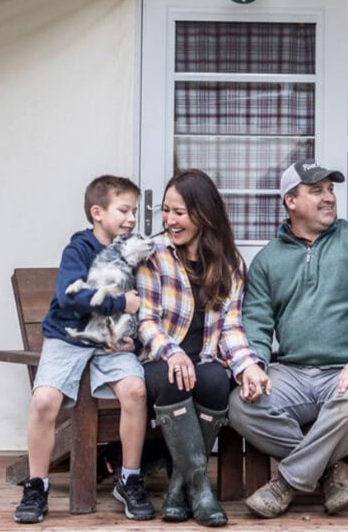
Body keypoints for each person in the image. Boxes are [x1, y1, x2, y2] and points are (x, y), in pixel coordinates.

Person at [228, 160, 348, 518]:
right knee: (241, 406)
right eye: (317, 190)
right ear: (290, 201)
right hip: (291, 372)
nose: (329, 197)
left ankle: (286, 483)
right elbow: (256, 323)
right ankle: (332, 472)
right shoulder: (268, 260)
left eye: (330, 189)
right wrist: (254, 367)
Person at [14, 175, 154, 524]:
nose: (131, 219)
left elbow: (144, 303)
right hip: (68, 339)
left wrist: (133, 338)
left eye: (134, 212)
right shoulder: (78, 250)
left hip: (109, 343)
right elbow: (70, 296)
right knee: (43, 400)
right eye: (123, 210)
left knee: (136, 391)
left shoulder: (131, 253)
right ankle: (36, 485)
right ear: (97, 213)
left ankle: (130, 478)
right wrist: (120, 303)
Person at [136, 169, 270, 527]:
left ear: (203, 213)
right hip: (160, 360)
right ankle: (200, 489)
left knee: (214, 380)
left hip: (205, 358)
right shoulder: (154, 255)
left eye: (179, 212)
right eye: (166, 211)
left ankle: (179, 489)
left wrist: (248, 365)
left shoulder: (229, 263)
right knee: (176, 378)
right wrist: (173, 352)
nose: (169, 220)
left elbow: (232, 328)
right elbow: (145, 321)